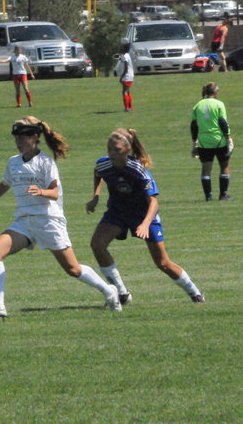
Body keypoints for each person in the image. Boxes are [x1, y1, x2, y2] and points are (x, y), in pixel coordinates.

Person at [0, 116, 122, 316]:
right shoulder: (13, 162)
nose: (18, 141)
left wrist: (41, 191)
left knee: (73, 269)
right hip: (24, 222)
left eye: (22, 137)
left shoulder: (46, 162)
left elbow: (55, 193)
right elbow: (4, 184)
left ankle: (109, 291)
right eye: (16, 137)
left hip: (48, 221)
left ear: (35, 137)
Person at [86, 128, 205, 304]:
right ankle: (122, 293)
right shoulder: (103, 164)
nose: (111, 153)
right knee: (97, 244)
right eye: (109, 149)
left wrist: (144, 224)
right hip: (117, 212)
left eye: (116, 150)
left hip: (143, 214)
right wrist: (95, 197)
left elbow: (153, 202)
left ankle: (195, 293)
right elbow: (98, 173)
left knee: (162, 263)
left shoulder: (138, 169)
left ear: (127, 150)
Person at [190, 82, 233, 201]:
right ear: (216, 92)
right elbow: (223, 122)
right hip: (219, 140)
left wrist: (194, 143)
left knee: (206, 169)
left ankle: (208, 196)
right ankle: (223, 195)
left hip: (204, 141)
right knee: (224, 165)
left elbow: (194, 126)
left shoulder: (197, 105)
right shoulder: (219, 104)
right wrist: (229, 139)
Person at [118, 43, 134, 112]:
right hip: (130, 76)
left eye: (121, 48)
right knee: (128, 91)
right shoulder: (126, 55)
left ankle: (126, 108)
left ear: (124, 49)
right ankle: (130, 107)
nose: (120, 49)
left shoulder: (125, 56)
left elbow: (126, 68)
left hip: (127, 76)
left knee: (124, 91)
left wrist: (121, 77)